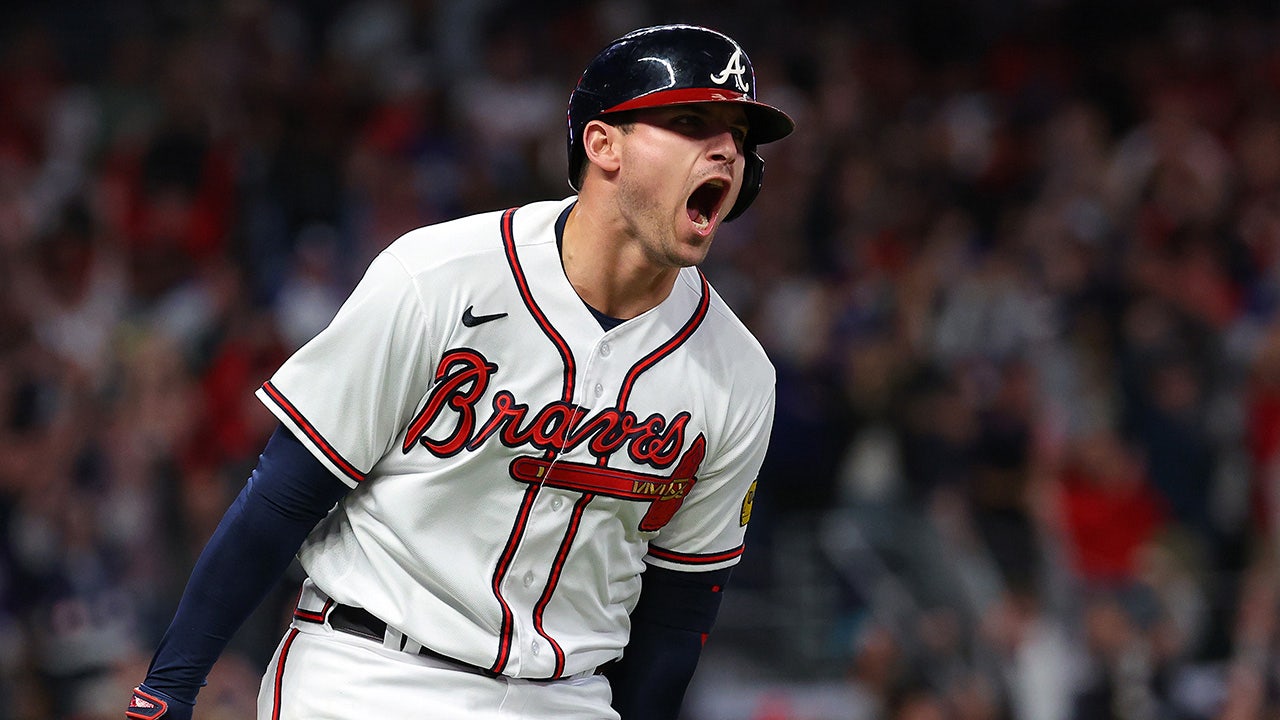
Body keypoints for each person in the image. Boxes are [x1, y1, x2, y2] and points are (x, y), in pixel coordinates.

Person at [126, 23, 794, 720]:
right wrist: (168, 689)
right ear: (603, 146)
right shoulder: (441, 277)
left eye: (740, 140)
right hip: (369, 673)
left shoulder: (737, 373)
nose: (726, 150)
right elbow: (282, 498)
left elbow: (680, 610)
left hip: (566, 698)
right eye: (691, 122)